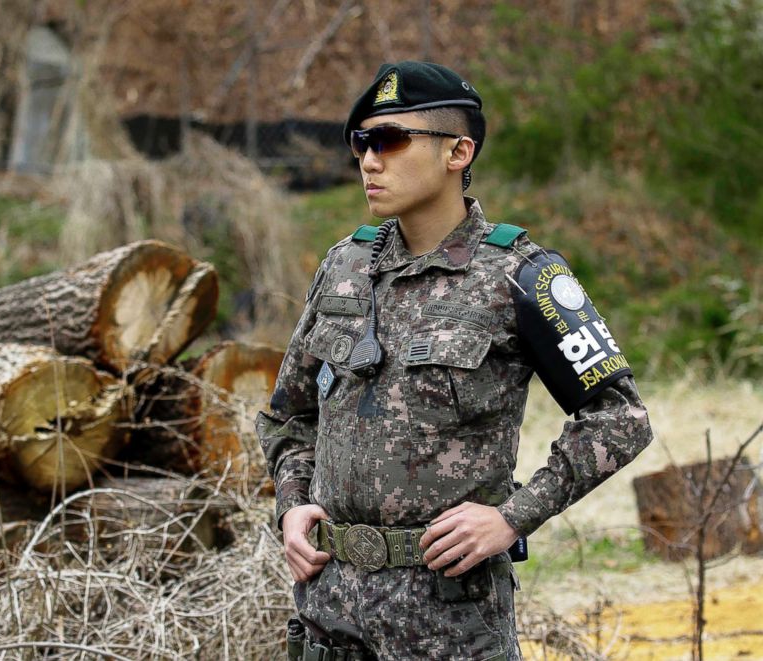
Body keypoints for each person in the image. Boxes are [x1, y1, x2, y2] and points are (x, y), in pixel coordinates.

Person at [256, 61, 654, 660]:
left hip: (448, 623)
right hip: (330, 614)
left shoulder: (521, 275)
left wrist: (513, 517)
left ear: (458, 152)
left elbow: (621, 419)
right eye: (361, 144)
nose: (369, 160)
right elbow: (288, 416)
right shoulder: (345, 267)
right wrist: (292, 506)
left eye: (389, 141)